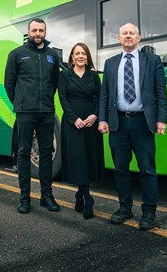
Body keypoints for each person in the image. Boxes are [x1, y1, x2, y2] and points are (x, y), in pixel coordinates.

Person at [98, 22, 167, 230]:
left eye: (132, 33)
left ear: (138, 38)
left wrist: (161, 119)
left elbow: (160, 92)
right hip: (117, 123)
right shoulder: (110, 64)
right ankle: (124, 208)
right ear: (119, 39)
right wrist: (102, 119)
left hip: (142, 123)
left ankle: (148, 213)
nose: (128, 36)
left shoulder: (152, 61)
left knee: (147, 169)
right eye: (124, 33)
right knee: (120, 169)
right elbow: (104, 96)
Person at [4, 18, 60, 214]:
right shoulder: (17, 54)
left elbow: (54, 83)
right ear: (29, 32)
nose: (38, 33)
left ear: (45, 32)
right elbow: (9, 84)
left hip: (46, 113)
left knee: (46, 153)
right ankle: (24, 198)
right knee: (23, 153)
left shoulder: (52, 55)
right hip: (25, 113)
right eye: (34, 30)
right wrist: (20, 104)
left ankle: (47, 196)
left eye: (41, 30)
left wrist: (44, 101)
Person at [58, 43, 103, 220]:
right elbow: (63, 98)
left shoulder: (94, 76)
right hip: (73, 121)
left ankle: (80, 194)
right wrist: (73, 118)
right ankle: (87, 198)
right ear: (72, 57)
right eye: (77, 53)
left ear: (87, 57)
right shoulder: (64, 76)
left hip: (90, 121)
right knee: (78, 158)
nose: (80, 56)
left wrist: (95, 115)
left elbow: (100, 97)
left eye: (83, 53)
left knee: (88, 158)